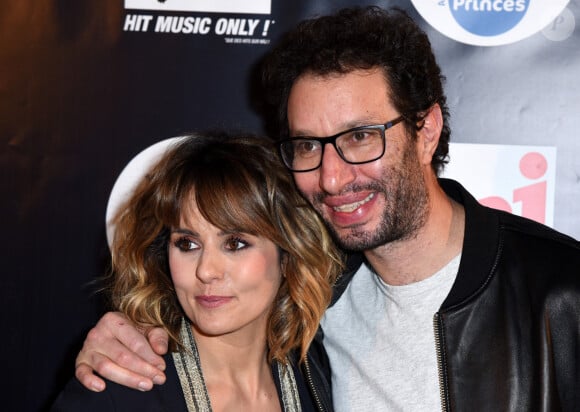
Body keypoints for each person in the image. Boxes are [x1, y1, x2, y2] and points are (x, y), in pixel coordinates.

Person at [73, 6, 580, 411]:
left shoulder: (562, 297)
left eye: (360, 137)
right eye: (308, 146)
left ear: (425, 131)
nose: (332, 178)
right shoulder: (314, 297)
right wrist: (124, 337)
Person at [52, 132, 342, 411]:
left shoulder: (318, 378)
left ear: (287, 254)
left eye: (235, 243)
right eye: (187, 244)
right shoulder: (119, 391)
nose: (206, 270)